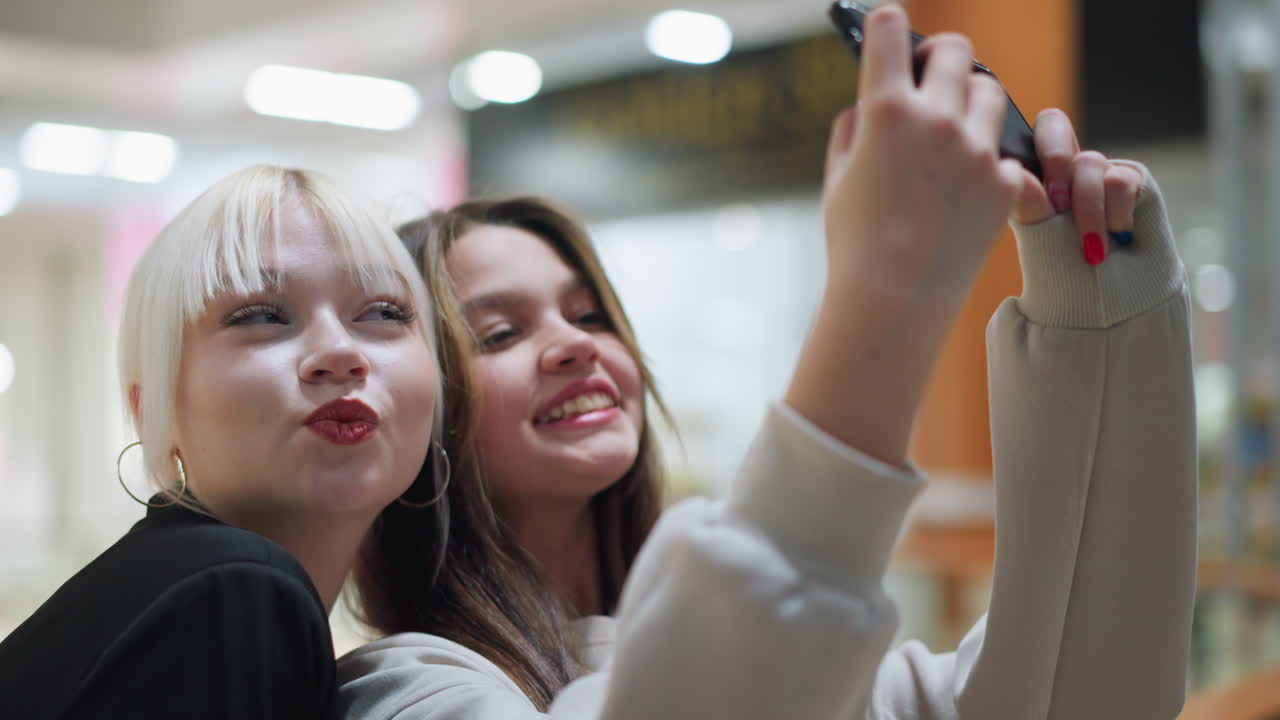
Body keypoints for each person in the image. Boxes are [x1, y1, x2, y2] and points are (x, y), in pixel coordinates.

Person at [338, 5, 1196, 718]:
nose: (574, 344)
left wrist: (1103, 312)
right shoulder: (406, 692)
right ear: (423, 410)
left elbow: (1075, 690)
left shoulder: (816, 673)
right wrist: (879, 300)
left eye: (590, 313)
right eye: (498, 334)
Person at [0, 165, 445, 719]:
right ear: (154, 409)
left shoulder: (186, 584)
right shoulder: (230, 590)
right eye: (262, 315)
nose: (338, 352)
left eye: (383, 312)